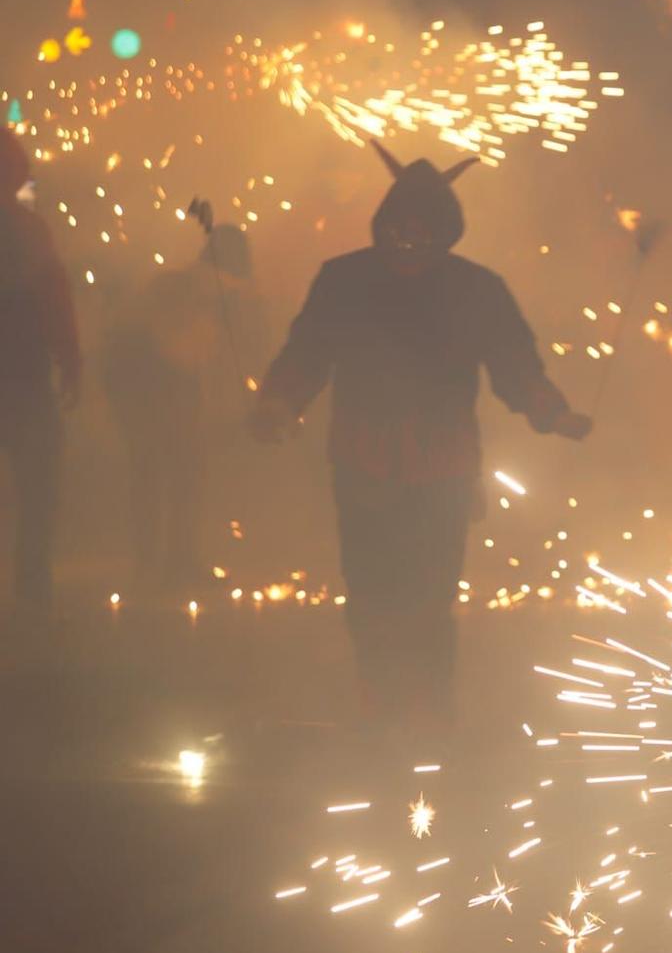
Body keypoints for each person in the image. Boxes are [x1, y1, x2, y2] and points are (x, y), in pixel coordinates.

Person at [251, 144, 590, 726]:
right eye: (398, 230)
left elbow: (515, 364)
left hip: (443, 465)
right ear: (382, 226)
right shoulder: (344, 280)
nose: (407, 241)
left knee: (431, 596)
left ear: (444, 232)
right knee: (372, 590)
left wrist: (552, 413)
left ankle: (426, 706)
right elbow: (308, 352)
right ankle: (380, 698)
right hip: (364, 459)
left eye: (420, 232)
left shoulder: (476, 288)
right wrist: (278, 401)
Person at [102, 200, 266, 600]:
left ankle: (176, 562)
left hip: (165, 395)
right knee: (158, 477)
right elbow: (177, 350)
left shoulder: (196, 290)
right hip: (148, 395)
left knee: (184, 476)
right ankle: (155, 566)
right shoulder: (185, 291)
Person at [0, 127, 80, 617]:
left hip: (23, 374)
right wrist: (70, 359)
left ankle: (32, 589)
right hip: (23, 374)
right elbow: (54, 296)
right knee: (37, 488)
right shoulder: (26, 229)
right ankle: (32, 591)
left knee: (37, 487)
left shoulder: (28, 229)